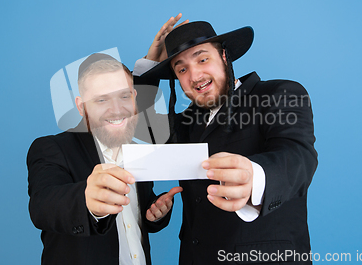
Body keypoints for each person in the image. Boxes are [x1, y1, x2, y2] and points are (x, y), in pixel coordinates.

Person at [135, 15, 318, 264]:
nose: (195, 75)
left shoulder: (278, 94)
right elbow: (141, 123)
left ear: (224, 56)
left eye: (202, 59)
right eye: (181, 69)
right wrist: (148, 66)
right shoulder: (187, 123)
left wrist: (255, 177)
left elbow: (298, 157)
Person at [27, 53, 182, 265]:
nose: (117, 109)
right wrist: (88, 202)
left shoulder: (137, 151)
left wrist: (155, 213)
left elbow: (136, 219)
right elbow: (43, 205)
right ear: (82, 107)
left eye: (124, 96)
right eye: (102, 99)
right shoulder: (53, 148)